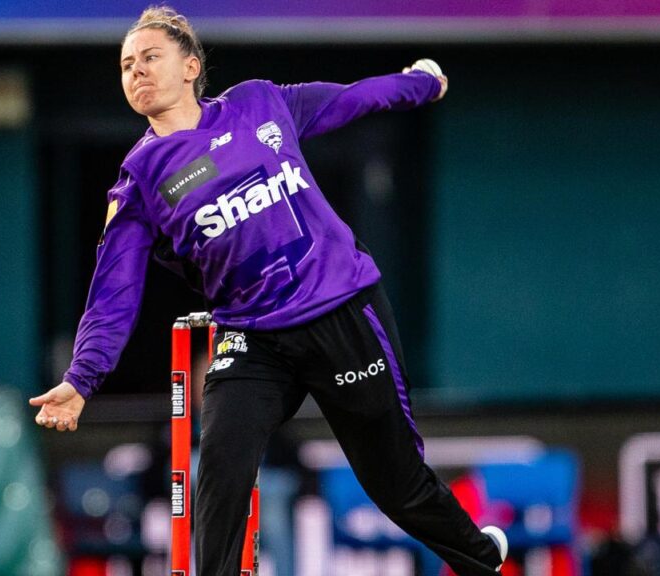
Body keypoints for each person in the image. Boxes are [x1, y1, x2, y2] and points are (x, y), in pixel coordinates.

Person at [29, 5, 509, 575]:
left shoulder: (258, 103)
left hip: (339, 312)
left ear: (190, 66)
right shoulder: (139, 181)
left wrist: (421, 83)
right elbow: (114, 289)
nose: (136, 72)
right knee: (222, 471)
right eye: (126, 65)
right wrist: (82, 378)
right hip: (252, 335)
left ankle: (482, 555)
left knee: (396, 484)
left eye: (150, 58)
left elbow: (351, 99)